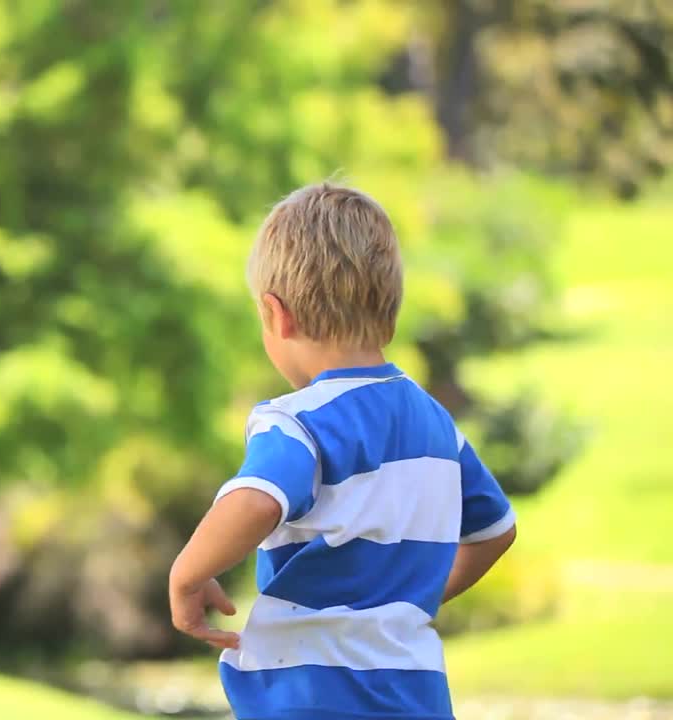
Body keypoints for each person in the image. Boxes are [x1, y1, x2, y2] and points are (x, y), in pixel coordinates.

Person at [168, 182, 518, 720]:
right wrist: (404, 603)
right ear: (390, 311)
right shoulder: (436, 425)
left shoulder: (297, 421)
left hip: (314, 699)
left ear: (275, 315)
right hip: (416, 696)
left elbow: (257, 500)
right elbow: (495, 532)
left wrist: (187, 575)